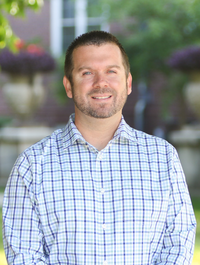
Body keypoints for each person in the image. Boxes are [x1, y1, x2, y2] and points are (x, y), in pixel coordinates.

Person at [3, 31, 196, 265]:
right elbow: (24, 256)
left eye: (111, 71)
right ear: (69, 86)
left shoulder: (163, 157)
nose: (101, 83)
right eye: (87, 73)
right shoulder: (32, 165)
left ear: (128, 83)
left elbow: (178, 244)